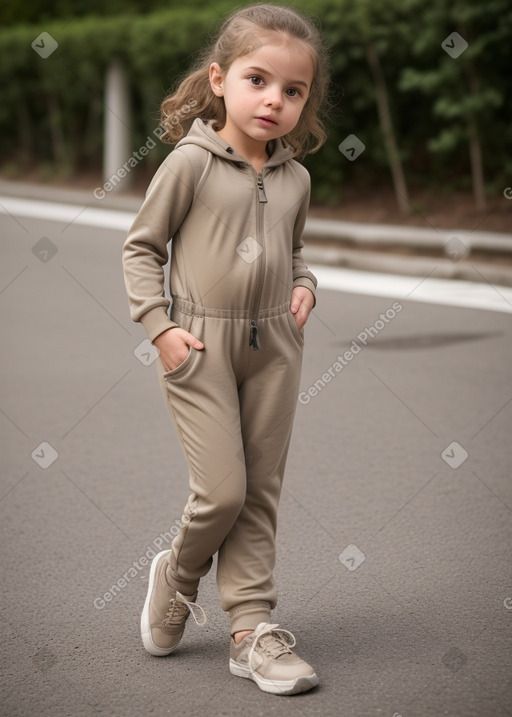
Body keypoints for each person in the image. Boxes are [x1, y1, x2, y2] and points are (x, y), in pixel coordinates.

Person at [122, 3, 329, 696]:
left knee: (260, 494)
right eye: (257, 79)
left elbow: (294, 252)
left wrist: (304, 284)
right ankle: (177, 575)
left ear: (305, 100)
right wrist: (160, 327)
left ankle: (251, 630)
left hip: (276, 345)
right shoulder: (189, 164)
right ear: (220, 79)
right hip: (198, 343)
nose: (274, 99)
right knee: (222, 491)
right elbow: (142, 247)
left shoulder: (296, 179)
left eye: (292, 90)